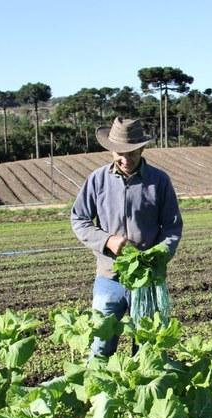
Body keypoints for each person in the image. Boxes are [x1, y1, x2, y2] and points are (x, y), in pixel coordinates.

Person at [71, 117, 183, 357]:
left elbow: (172, 228)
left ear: (142, 149)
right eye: (118, 153)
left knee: (147, 347)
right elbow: (79, 219)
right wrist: (107, 241)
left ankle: (142, 392)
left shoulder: (159, 181)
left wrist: (159, 255)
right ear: (111, 150)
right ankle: (100, 393)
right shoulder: (97, 180)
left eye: (131, 153)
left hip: (147, 280)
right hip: (109, 278)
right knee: (100, 345)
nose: (124, 159)